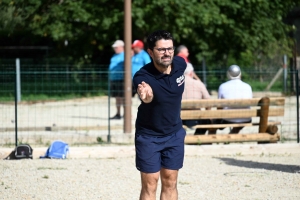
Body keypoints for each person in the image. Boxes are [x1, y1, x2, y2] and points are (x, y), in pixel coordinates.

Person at [133, 30, 186, 200]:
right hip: (149, 136)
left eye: (170, 49)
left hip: (175, 133)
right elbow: (145, 95)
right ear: (150, 52)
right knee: (150, 183)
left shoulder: (180, 64)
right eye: (161, 50)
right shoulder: (143, 76)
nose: (167, 53)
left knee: (171, 181)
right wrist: (146, 96)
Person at [212, 65, 253, 134]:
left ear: (228, 74)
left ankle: (211, 137)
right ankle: (234, 132)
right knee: (241, 117)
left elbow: (219, 107)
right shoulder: (248, 86)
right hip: (246, 119)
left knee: (213, 121)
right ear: (240, 74)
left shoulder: (223, 86)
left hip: (227, 119)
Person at [182, 63, 211, 135]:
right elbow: (209, 103)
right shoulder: (199, 84)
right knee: (208, 120)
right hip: (196, 119)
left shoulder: (174, 84)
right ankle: (198, 135)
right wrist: (207, 111)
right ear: (191, 73)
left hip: (179, 119)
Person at [109, 40, 125, 120]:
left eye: (116, 47)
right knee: (117, 97)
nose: (115, 48)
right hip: (113, 79)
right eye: (114, 47)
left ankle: (127, 114)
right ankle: (118, 113)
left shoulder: (125, 55)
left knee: (123, 97)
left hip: (121, 79)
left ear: (121, 47)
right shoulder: (114, 56)